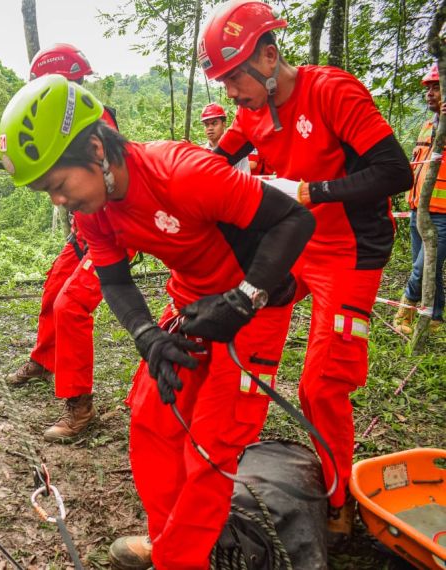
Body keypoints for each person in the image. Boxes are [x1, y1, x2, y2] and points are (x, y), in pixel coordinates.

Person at [0, 75, 314, 570]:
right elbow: (116, 281)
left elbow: (294, 220)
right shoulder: (94, 211)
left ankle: (179, 560)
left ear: (97, 151)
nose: (58, 201)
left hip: (257, 305)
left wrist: (244, 299)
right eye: (47, 192)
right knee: (151, 419)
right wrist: (147, 336)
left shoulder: (183, 173)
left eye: (58, 185)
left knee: (212, 445)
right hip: (191, 303)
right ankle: (170, 540)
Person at [201, 0, 413, 535]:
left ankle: (339, 500)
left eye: (234, 78)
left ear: (268, 59)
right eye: (222, 81)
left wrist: (309, 190)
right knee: (245, 339)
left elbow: (395, 172)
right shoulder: (251, 111)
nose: (230, 93)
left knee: (321, 384)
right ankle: (224, 473)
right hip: (294, 246)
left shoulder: (332, 92)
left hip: (351, 251)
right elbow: (212, 163)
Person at [7, 43, 119, 443]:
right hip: (84, 231)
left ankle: (80, 406)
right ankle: (44, 359)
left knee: (70, 305)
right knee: (54, 286)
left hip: (110, 232)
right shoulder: (62, 120)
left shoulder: (95, 118)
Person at [393, 63, 445, 334]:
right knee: (426, 265)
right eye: (428, 89)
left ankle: (405, 310)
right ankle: (435, 316)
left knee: (423, 264)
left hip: (442, 211)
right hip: (418, 208)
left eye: (437, 88)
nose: (430, 94)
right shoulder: (427, 125)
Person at [199, 102, 249, 172]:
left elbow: (245, 177)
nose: (210, 128)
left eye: (214, 123)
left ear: (224, 124)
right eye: (206, 125)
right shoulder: (201, 152)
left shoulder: (237, 150)